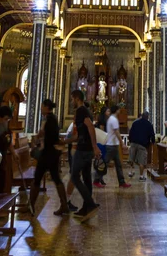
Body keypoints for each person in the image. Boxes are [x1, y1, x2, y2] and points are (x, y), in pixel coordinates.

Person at [29, 99, 69, 216]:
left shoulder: (48, 120)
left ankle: (31, 205)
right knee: (56, 178)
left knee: (37, 178)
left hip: (47, 153)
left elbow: (44, 134)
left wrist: (38, 139)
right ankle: (64, 205)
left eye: (42, 107)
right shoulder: (53, 118)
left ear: (47, 107)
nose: (41, 109)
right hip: (52, 153)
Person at [70, 89, 101, 220]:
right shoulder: (85, 111)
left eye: (72, 99)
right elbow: (79, 133)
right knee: (87, 177)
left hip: (83, 149)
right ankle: (85, 208)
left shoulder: (81, 111)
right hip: (86, 148)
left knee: (75, 176)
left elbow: (90, 128)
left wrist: (95, 146)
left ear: (77, 98)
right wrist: (66, 140)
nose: (72, 101)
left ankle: (90, 204)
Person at [0, 105, 20, 193]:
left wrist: (14, 153)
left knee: (0, 186)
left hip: (2, 161)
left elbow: (8, 143)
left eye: (8, 120)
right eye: (6, 119)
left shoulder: (6, 129)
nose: (7, 122)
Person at [105, 105, 131, 188]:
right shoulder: (114, 119)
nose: (120, 111)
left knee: (118, 164)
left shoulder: (110, 119)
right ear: (116, 110)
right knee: (105, 162)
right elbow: (117, 132)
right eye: (119, 109)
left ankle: (121, 182)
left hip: (112, 144)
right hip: (112, 145)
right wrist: (122, 143)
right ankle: (97, 179)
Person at [128, 111, 155, 181]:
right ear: (148, 117)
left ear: (142, 116)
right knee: (141, 161)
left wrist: (130, 140)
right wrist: (152, 143)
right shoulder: (149, 125)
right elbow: (152, 135)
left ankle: (131, 171)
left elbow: (130, 132)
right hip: (142, 145)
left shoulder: (135, 122)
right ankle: (141, 176)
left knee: (132, 158)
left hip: (133, 143)